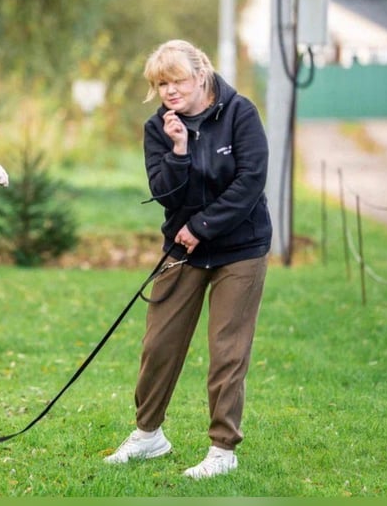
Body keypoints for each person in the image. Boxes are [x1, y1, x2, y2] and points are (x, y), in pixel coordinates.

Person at [104, 39, 272, 479]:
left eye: (177, 80)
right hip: (183, 250)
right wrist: (178, 150)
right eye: (162, 84)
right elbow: (164, 193)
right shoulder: (159, 127)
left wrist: (202, 226)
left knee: (227, 350)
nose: (170, 91)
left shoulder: (240, 113)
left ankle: (223, 449)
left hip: (240, 246)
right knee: (159, 343)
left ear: (201, 75)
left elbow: (251, 181)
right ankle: (148, 435)